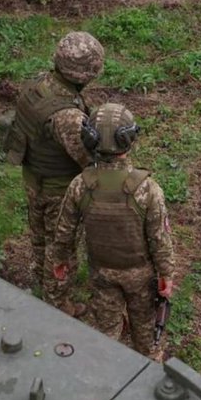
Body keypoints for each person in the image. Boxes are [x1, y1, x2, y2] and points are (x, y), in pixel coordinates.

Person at [48, 104, 175, 359]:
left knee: (106, 335)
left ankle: (108, 377)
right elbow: (160, 239)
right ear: (129, 141)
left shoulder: (80, 186)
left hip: (102, 272)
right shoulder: (147, 189)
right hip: (141, 275)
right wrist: (166, 273)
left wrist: (60, 260)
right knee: (147, 335)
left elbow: (64, 231)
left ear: (89, 139)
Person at [5, 31, 104, 310]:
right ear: (85, 74)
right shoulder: (68, 117)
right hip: (57, 192)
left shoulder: (38, 85)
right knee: (60, 248)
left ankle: (40, 277)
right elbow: (89, 159)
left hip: (33, 179)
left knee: (39, 238)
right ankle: (58, 305)